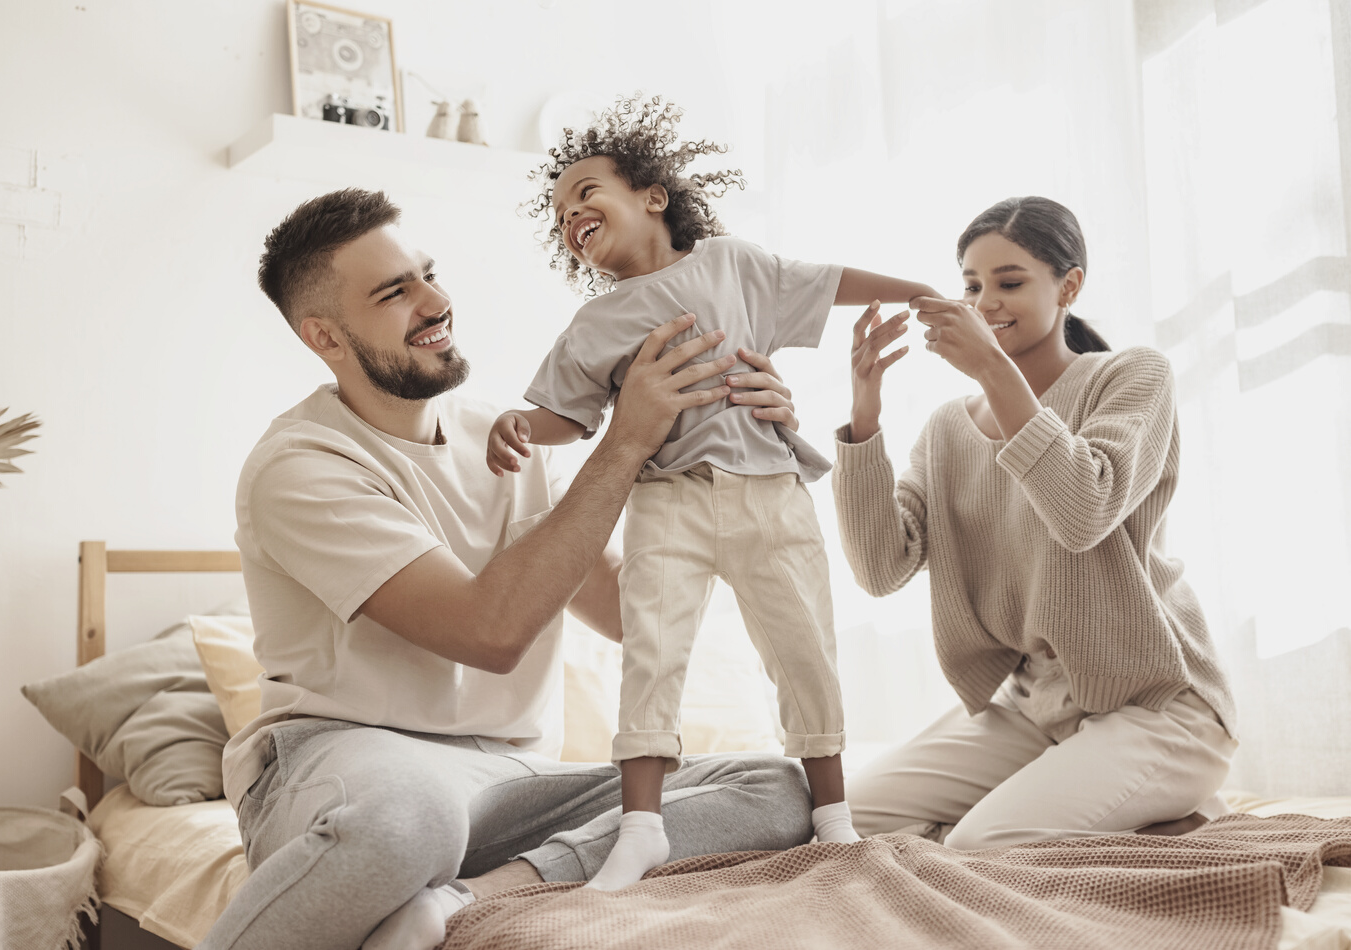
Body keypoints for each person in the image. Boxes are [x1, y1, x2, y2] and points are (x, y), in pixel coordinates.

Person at [196, 188, 818, 950]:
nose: (435, 302)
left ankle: (467, 899)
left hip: (506, 781)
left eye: (427, 274)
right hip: (346, 760)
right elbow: (488, 631)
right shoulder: (300, 467)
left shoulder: (501, 440)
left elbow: (632, 613)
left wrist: (733, 450)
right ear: (324, 336)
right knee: (410, 820)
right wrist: (621, 444)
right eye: (395, 292)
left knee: (776, 786)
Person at [488, 94, 939, 890]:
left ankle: (833, 819)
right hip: (667, 498)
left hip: (769, 488)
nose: (571, 214)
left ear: (653, 196)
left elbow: (827, 279)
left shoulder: (732, 265)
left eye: (586, 193)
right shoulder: (594, 323)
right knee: (651, 652)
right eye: (559, 214)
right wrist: (521, 425)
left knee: (802, 648)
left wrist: (920, 291)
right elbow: (566, 414)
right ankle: (640, 828)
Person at [832, 195, 1237, 850]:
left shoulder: (1131, 377)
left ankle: (1151, 806)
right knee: (842, 819)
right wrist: (864, 415)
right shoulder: (946, 430)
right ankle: (1107, 803)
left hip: (1158, 708)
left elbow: (1084, 510)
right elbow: (881, 569)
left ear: (1068, 286)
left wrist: (991, 367)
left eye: (1009, 282)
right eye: (971, 285)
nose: (984, 301)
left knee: (977, 847)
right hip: (1034, 710)